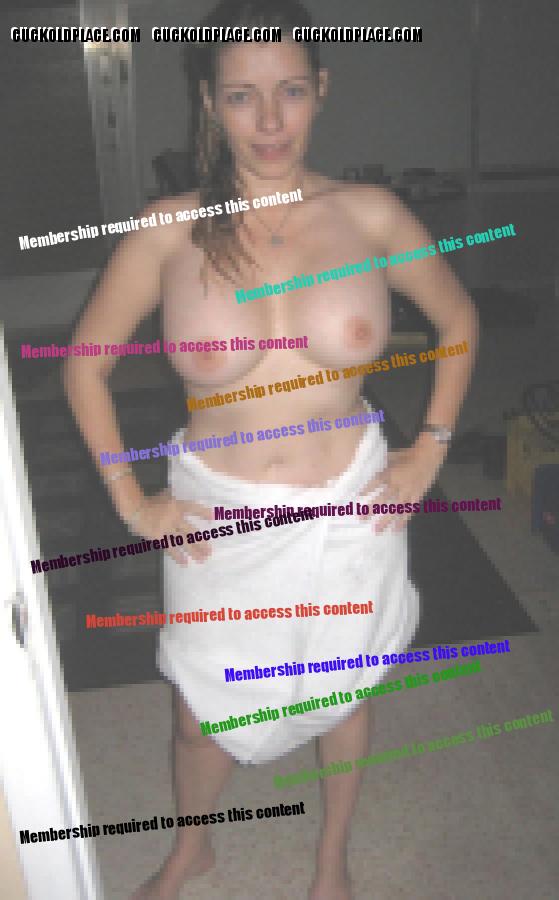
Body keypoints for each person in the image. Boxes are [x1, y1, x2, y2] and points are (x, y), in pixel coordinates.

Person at [64, 1, 477, 897]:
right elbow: (84, 366)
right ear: (209, 103)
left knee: (342, 693)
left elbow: (457, 319)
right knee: (196, 711)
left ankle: (331, 857)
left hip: (349, 502)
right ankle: (194, 845)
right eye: (242, 96)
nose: (269, 121)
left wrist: (429, 450)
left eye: (290, 91)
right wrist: (131, 500)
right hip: (219, 514)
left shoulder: (371, 214)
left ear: (321, 89)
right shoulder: (168, 229)